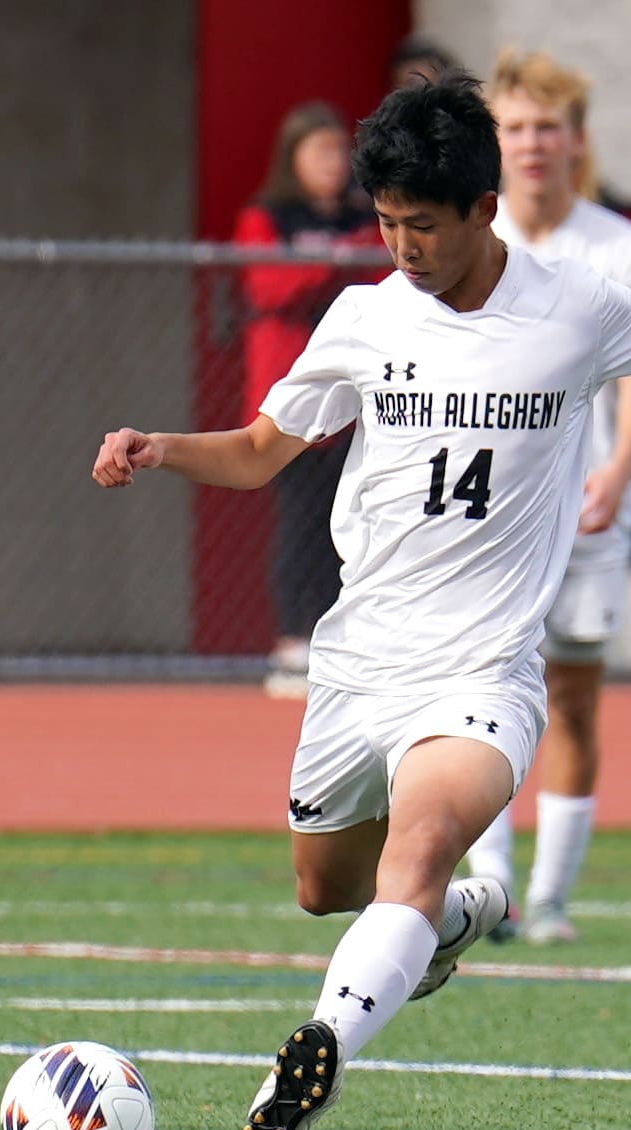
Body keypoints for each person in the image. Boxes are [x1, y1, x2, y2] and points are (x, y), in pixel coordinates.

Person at [91, 73, 631, 1130]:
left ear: (482, 208)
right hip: (358, 664)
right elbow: (256, 451)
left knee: (423, 844)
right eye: (386, 223)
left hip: (481, 673)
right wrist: (159, 447)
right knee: (324, 889)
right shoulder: (365, 317)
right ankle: (456, 922)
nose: (402, 247)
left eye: (422, 225)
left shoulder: (570, 307)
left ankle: (323, 1042)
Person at [465, 49, 631, 944]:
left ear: (576, 140)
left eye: (547, 126)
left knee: (573, 699)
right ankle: (490, 890)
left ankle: (549, 898)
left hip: (584, 513)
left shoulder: (621, 247)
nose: (531, 143)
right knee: (477, 695)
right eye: (514, 127)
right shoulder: (470, 237)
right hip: (487, 515)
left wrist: (616, 470)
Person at [233, 101, 383, 696]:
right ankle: (293, 641)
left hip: (357, 393)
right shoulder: (268, 217)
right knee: (299, 522)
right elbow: (268, 285)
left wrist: (342, 260)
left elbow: (383, 280)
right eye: (318, 151)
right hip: (292, 394)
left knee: (349, 520)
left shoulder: (364, 217)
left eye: (338, 151)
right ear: (291, 158)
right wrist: (335, 262)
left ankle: (338, 642)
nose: (332, 163)